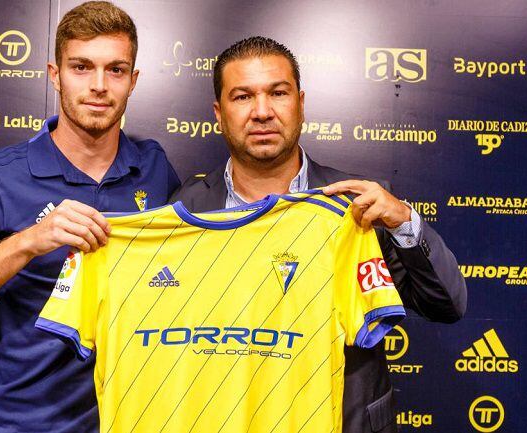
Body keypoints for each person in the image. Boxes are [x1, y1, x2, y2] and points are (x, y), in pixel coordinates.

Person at [170, 36, 466, 433]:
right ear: (218, 113)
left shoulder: (357, 206)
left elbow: (446, 305)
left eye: (278, 93)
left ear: (301, 104)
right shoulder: (185, 207)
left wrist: (401, 220)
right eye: (242, 97)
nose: (262, 112)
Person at [0, 2, 180, 432]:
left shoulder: (153, 165)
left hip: (133, 418)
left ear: (132, 81)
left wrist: (314, 196)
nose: (98, 85)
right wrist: (28, 241)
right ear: (55, 74)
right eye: (81, 67)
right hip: (25, 423)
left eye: (115, 70)